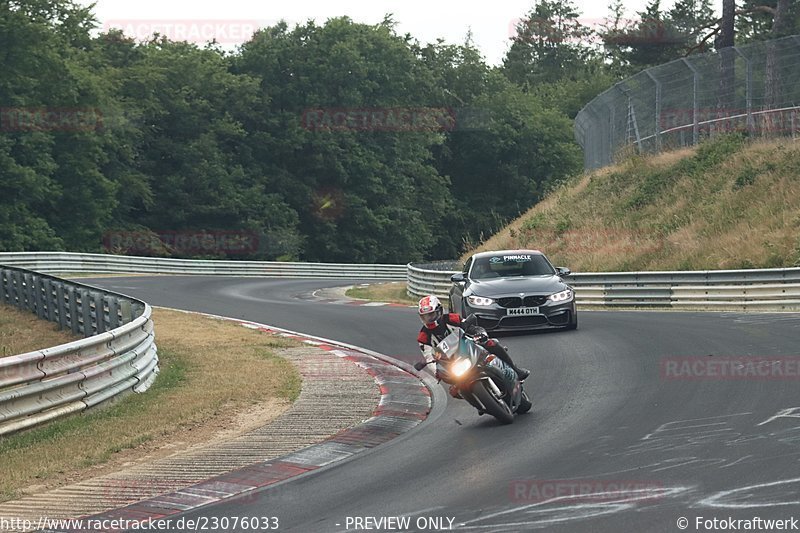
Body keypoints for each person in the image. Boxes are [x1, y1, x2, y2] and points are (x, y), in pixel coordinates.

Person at [416, 295, 530, 382]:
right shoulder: (423, 337)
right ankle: (477, 399)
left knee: (491, 344)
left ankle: (516, 370)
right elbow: (428, 357)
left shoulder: (451, 319)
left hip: (468, 346)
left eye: (431, 315)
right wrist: (436, 371)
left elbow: (469, 327)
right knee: (454, 390)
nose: (429, 319)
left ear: (439, 311)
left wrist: (480, 333)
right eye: (425, 317)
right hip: (451, 362)